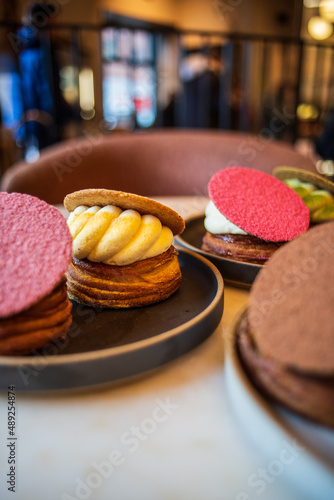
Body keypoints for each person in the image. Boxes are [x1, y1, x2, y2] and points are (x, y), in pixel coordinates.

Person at [17, 2, 72, 152]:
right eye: (54, 24)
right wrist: (62, 118)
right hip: (45, 126)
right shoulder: (43, 54)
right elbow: (47, 94)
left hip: (34, 124)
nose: (56, 30)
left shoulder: (24, 51)